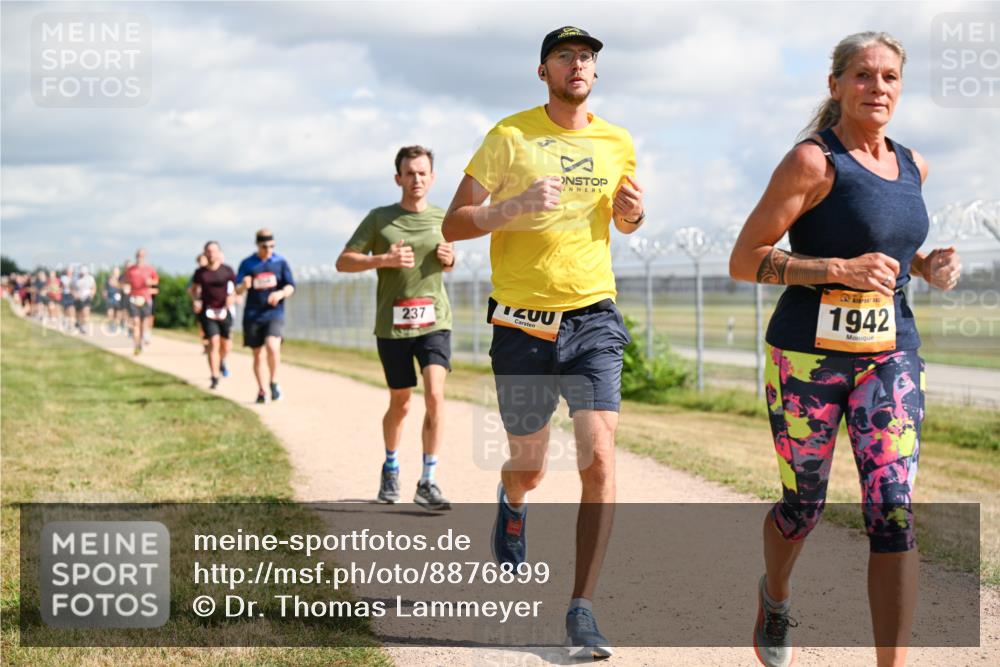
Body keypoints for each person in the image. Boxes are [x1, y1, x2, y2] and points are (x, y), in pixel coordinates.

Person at [728, 32, 962, 667]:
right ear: (835, 85)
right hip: (806, 358)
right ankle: (776, 597)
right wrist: (837, 269)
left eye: (889, 77)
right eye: (862, 75)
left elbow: (891, 248)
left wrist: (927, 266)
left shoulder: (914, 164)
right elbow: (745, 260)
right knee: (803, 505)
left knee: (893, 511)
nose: (876, 87)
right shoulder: (813, 161)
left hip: (891, 354)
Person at [442, 26, 645, 658]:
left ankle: (582, 608)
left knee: (599, 456)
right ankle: (512, 500)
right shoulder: (509, 136)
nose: (577, 64)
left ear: (595, 72)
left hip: (593, 317)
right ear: (543, 71)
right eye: (564, 56)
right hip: (522, 325)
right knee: (529, 464)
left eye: (586, 57)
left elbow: (624, 220)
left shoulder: (617, 141)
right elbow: (454, 222)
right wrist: (511, 208)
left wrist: (633, 215)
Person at [336, 145, 455, 512]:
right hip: (393, 326)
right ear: (398, 178)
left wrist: (451, 259)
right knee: (401, 403)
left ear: (432, 178)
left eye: (422, 173)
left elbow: (447, 261)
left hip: (435, 321)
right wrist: (383, 259)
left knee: (435, 395)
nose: (416, 179)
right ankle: (391, 467)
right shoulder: (380, 219)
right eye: (410, 173)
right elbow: (343, 262)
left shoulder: (444, 218)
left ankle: (428, 480)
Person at [236, 228, 295, 404]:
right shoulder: (247, 263)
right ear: (257, 245)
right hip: (253, 314)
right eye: (264, 246)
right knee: (257, 354)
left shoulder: (280, 262)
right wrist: (244, 286)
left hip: (273, 312)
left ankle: (274, 382)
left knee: (272, 346)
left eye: (271, 246)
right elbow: (237, 289)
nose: (268, 250)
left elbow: (290, 286)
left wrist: (280, 293)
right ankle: (262, 390)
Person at [190, 242, 237, 389]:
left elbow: (235, 289)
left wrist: (232, 297)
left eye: (214, 251)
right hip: (208, 311)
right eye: (208, 251)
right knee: (213, 342)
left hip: (224, 311)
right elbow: (194, 290)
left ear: (219, 252)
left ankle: (221, 361)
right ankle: (214, 376)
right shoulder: (200, 273)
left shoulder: (227, 270)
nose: (211, 254)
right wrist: (195, 300)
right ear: (205, 253)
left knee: (226, 345)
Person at [123, 249, 159, 355]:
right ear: (136, 256)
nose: (140, 257)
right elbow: (126, 281)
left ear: (145, 257)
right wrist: (126, 287)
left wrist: (150, 281)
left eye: (142, 255)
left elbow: (156, 280)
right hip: (133, 298)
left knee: (143, 324)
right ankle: (136, 345)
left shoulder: (150, 269)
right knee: (135, 322)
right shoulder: (130, 269)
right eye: (138, 255)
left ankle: (141, 341)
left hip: (145, 298)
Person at [72, 266, 96, 333]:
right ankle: (78, 322)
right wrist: (74, 294)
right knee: (79, 312)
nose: (82, 275)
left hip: (87, 297)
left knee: (86, 312)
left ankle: (83, 326)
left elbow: (94, 287)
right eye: (81, 273)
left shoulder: (90, 278)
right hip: (78, 298)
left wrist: (92, 294)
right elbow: (72, 288)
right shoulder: (75, 278)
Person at [104, 266, 123, 333]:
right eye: (114, 272)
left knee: (118, 315)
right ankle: (111, 326)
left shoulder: (121, 280)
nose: (116, 273)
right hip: (110, 299)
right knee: (110, 314)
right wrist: (105, 296)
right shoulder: (108, 280)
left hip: (119, 301)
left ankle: (117, 326)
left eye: (117, 272)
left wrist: (117, 284)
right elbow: (105, 291)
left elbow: (123, 288)